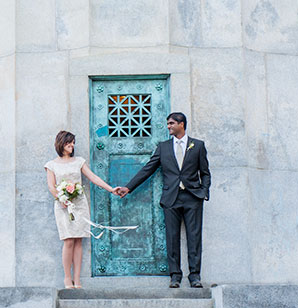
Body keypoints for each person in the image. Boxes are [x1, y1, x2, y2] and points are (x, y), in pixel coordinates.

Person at [114, 113, 210, 288]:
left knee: (194, 237)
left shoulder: (198, 145)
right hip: (170, 198)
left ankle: (195, 276)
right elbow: (148, 169)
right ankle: (175, 276)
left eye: (171, 123)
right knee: (172, 237)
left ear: (181, 124)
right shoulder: (163, 147)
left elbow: (205, 172)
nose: (168, 127)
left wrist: (203, 192)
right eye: (167, 124)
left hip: (193, 198)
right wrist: (129, 187)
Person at [45, 131, 116, 289]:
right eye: (68, 143)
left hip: (79, 203)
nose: (72, 145)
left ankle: (77, 279)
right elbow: (51, 186)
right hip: (63, 205)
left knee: (79, 240)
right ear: (61, 144)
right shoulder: (51, 165)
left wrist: (110, 189)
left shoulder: (79, 161)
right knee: (68, 240)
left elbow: (93, 177)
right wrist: (61, 199)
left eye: (73, 143)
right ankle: (67, 278)